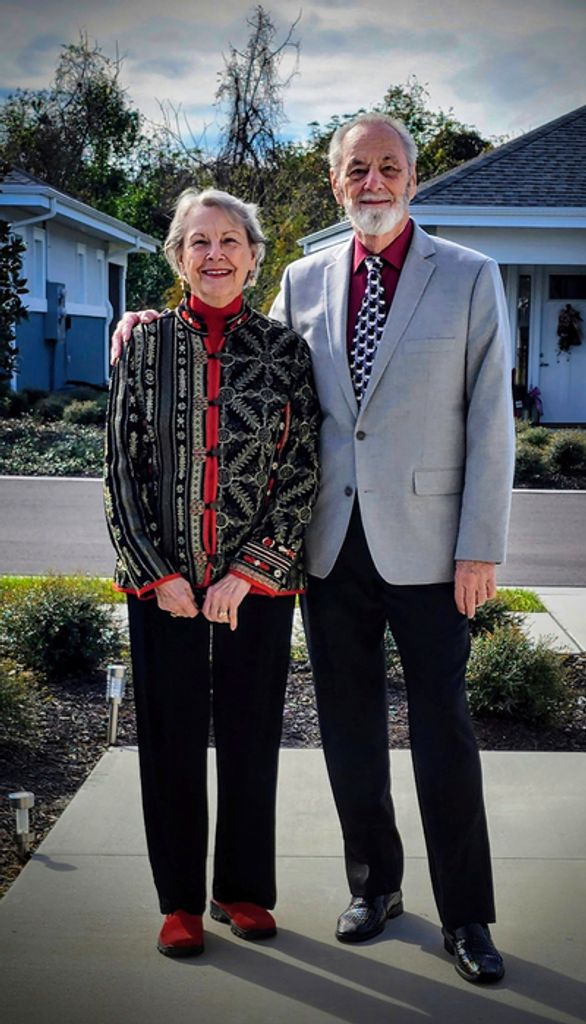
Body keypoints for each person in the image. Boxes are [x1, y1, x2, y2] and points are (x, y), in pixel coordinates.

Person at [112, 112, 515, 984]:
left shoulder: (472, 278)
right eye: (356, 168)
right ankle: (374, 888)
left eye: (389, 166)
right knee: (349, 731)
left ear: (414, 176)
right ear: (335, 182)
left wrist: (482, 544)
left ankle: (468, 917)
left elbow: (492, 420)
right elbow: (241, 348)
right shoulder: (303, 278)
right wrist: (144, 317)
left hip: (435, 549)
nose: (373, 181)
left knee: (444, 729)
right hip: (328, 550)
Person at [104, 188, 320, 959]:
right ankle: (179, 903)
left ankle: (242, 891)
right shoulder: (144, 343)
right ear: (177, 257)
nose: (216, 254)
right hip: (161, 585)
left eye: (231, 240)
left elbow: (301, 470)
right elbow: (121, 470)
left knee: (251, 734)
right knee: (169, 739)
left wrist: (252, 572)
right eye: (199, 242)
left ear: (255, 257)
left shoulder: (287, 352)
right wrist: (158, 572)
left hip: (255, 590)